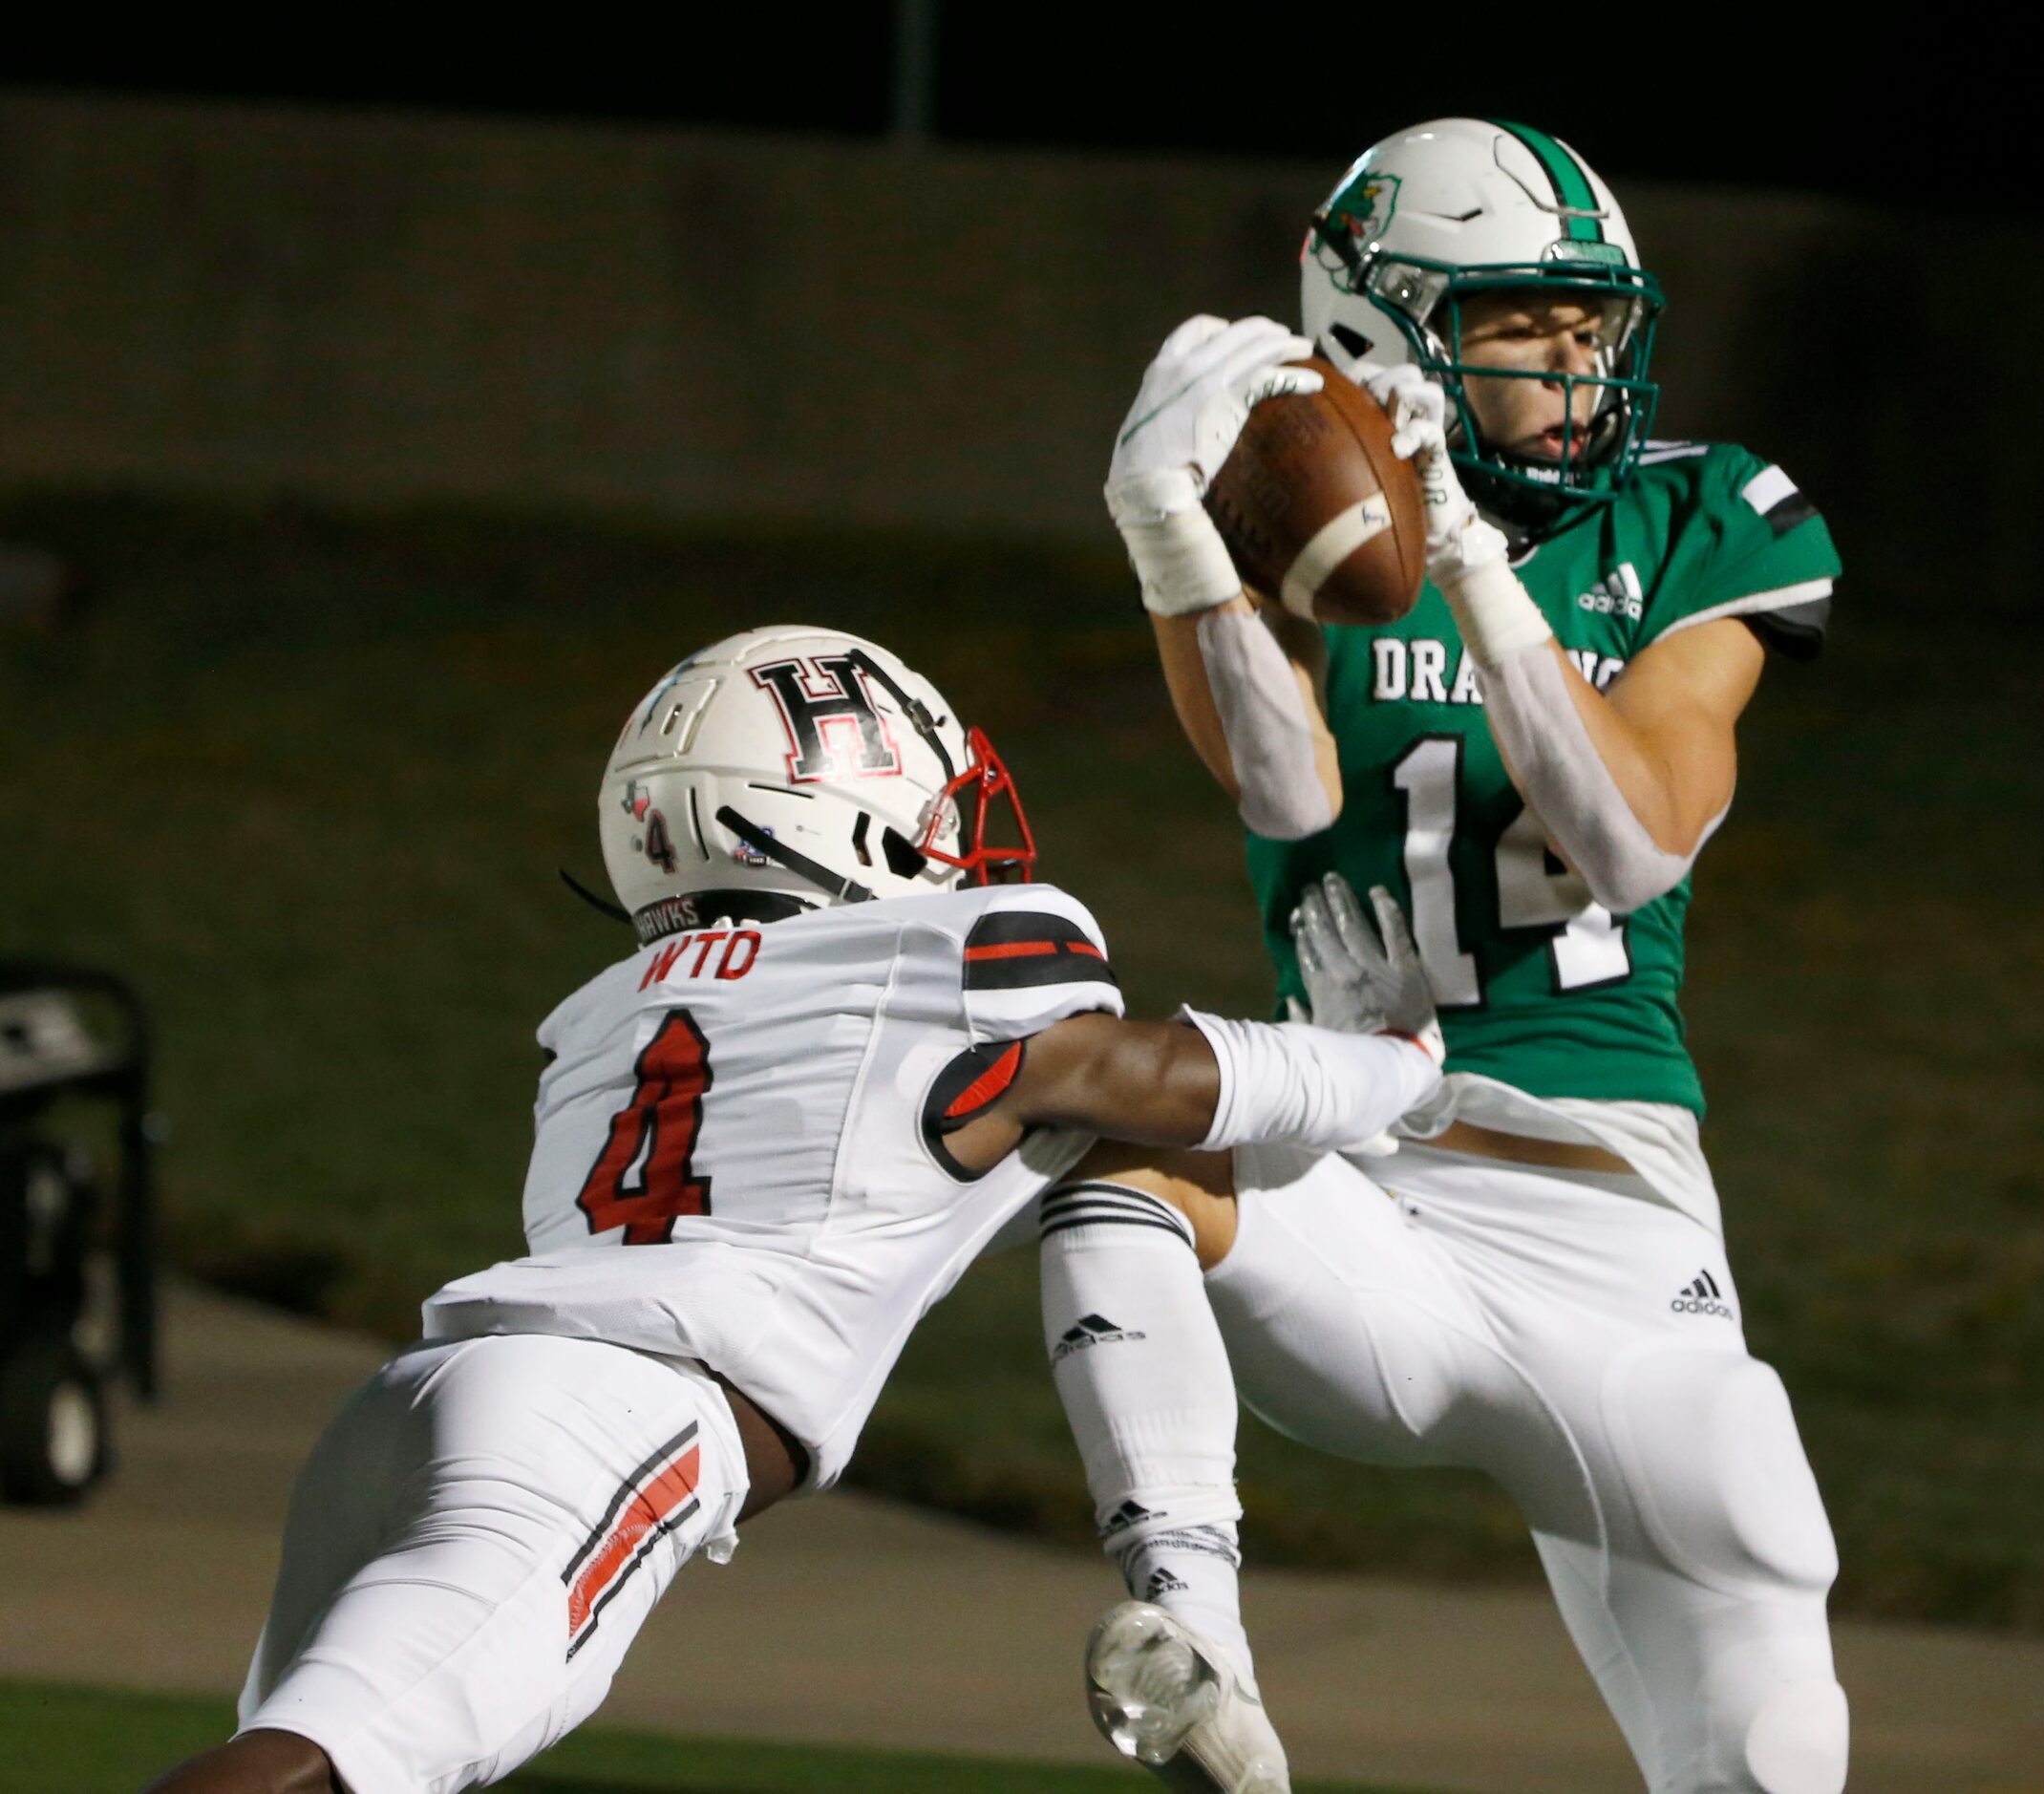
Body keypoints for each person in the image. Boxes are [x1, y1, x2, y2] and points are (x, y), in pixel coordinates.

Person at [144, 623, 1447, 1794]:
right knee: (314, 1769)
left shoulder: (605, 1019)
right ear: (847, 814)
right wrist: (1391, 1062)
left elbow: (904, 1150)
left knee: (329, 1759)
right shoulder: (943, 961)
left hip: (413, 1399)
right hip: (602, 1426)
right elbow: (1132, 1079)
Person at [1047, 119, 1850, 1793]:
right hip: (1370, 1174)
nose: (1575, 367)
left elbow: (1635, 840)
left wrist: (1472, 556)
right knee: (1125, 1161)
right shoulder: (1282, 513)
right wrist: (1168, 532)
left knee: (1765, 1714)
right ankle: (1198, 1656)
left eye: (1589, 326)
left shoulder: (1707, 517)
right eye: (1521, 326)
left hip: (1611, 1204)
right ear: (1383, 331)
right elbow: (1280, 786)